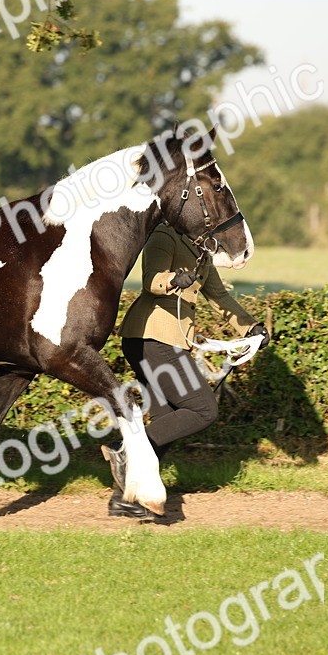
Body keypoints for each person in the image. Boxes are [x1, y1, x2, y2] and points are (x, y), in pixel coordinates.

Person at [103, 221, 269, 519]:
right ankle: (125, 450)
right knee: (203, 410)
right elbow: (150, 280)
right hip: (151, 337)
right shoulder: (164, 235)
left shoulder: (200, 249)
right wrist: (174, 279)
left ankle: (126, 499)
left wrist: (251, 327)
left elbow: (219, 296)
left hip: (165, 341)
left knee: (167, 421)